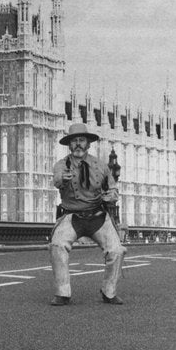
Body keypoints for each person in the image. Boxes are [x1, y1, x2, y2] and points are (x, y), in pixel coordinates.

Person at [49, 122, 125, 305]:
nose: (78, 144)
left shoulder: (101, 166)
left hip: (97, 215)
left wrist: (110, 197)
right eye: (74, 141)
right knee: (57, 245)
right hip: (72, 215)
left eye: (81, 140)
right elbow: (56, 180)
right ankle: (62, 292)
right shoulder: (62, 165)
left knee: (117, 250)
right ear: (69, 145)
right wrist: (62, 179)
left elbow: (114, 189)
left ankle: (109, 291)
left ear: (88, 144)